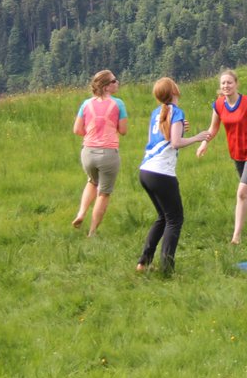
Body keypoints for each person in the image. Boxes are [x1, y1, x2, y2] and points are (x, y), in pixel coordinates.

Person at [136, 78, 210, 274]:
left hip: (146, 171)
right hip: (162, 173)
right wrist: (197, 138)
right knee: (175, 219)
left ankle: (143, 262)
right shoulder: (176, 112)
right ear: (174, 91)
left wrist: (179, 129)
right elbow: (175, 143)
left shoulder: (156, 113)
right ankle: (166, 268)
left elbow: (162, 137)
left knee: (162, 217)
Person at [197, 69, 247, 245]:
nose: (226, 86)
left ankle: (236, 237)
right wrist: (204, 143)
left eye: (229, 82)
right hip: (237, 155)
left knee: (242, 192)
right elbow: (213, 128)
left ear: (236, 84)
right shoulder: (219, 105)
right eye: (223, 83)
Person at [71, 69, 128, 236]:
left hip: (87, 152)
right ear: (105, 87)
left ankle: (81, 213)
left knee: (92, 181)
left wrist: (91, 134)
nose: (117, 83)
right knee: (103, 193)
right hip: (108, 153)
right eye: (113, 81)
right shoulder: (118, 104)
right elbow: (123, 130)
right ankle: (92, 232)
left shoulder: (86, 104)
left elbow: (77, 129)